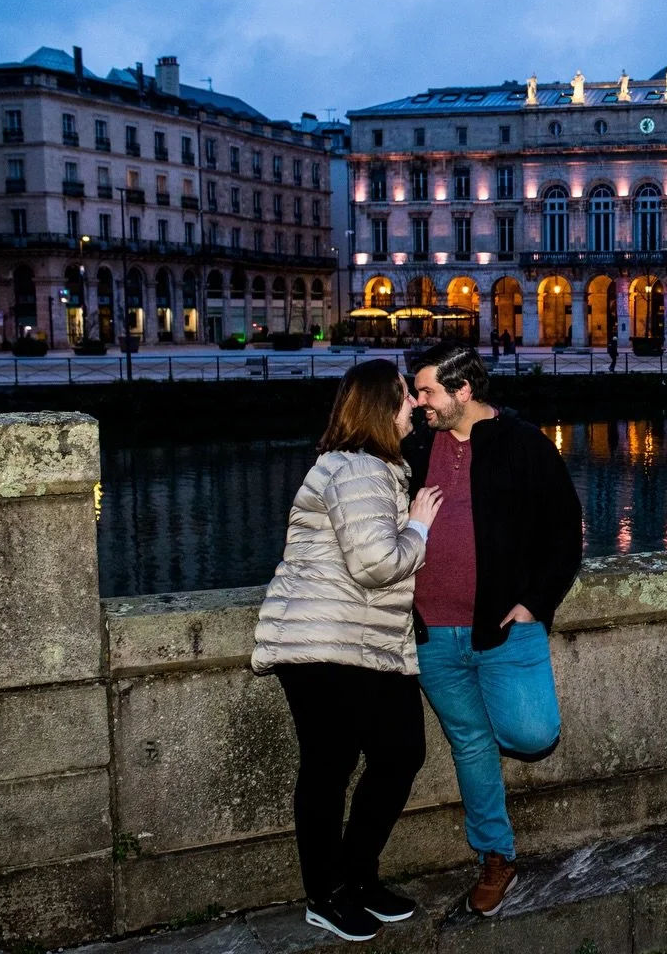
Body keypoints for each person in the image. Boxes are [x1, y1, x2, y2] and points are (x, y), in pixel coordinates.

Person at [251, 359, 444, 942]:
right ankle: (327, 893)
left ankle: (356, 877)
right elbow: (375, 564)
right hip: (323, 643)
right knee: (332, 767)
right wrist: (419, 528)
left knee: (398, 752)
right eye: (406, 397)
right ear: (382, 407)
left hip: (357, 642)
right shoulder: (357, 469)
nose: (415, 405)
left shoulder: (372, 468)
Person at [405, 342, 583, 918]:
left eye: (428, 390)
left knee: (533, 734)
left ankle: (495, 852)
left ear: (463, 390)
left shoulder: (524, 443)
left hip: (504, 630)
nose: (418, 401)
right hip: (432, 635)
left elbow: (566, 533)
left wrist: (535, 602)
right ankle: (496, 857)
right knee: (471, 744)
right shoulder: (413, 447)